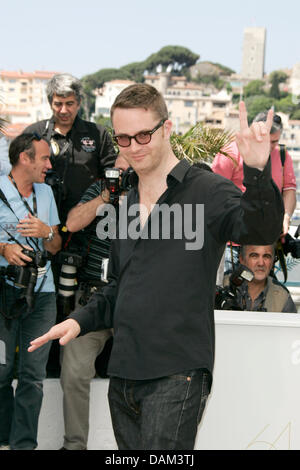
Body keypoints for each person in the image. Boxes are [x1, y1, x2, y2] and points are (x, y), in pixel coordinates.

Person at [28, 84, 284, 450]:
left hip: (177, 373)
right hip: (124, 376)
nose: (134, 147)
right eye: (124, 139)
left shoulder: (207, 191)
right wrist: (78, 320)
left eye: (143, 134)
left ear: (167, 128)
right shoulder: (127, 205)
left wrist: (258, 171)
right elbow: (120, 286)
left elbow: (261, 230)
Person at [59, 154, 129, 451]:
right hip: (95, 297)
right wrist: (107, 195)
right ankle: (75, 445)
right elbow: (73, 223)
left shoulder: (154, 192)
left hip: (137, 300)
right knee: (73, 370)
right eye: (120, 169)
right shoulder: (100, 189)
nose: (124, 175)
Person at [0, 133, 61, 450]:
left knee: (32, 376)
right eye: (45, 158)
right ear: (25, 158)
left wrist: (47, 231)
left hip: (42, 295)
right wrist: (4, 248)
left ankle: (24, 445)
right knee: (0, 369)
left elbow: (56, 245)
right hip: (4, 296)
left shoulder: (46, 193)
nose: (49, 165)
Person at [23, 73, 116, 225]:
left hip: (87, 225)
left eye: (70, 103)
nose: (64, 110)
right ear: (50, 103)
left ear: (78, 103)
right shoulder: (33, 133)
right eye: (58, 104)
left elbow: (112, 173)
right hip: (41, 225)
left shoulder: (98, 134)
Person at [212, 112, 297, 272]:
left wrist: (286, 216)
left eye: (275, 141)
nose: (270, 146)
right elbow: (214, 193)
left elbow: (289, 190)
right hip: (234, 244)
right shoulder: (230, 152)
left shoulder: (283, 156)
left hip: (265, 245)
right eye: (267, 141)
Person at [223, 244, 297, 313]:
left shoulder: (281, 295)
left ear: (272, 261)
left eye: (266, 256)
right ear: (242, 259)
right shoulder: (224, 284)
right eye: (254, 256)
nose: (261, 263)